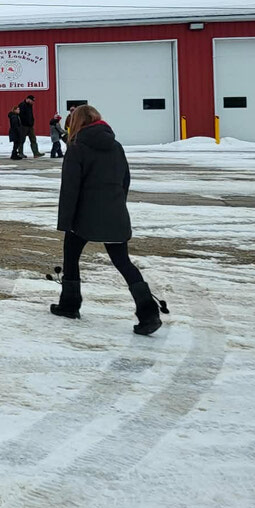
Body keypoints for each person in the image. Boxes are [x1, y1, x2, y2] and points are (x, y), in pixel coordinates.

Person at [50, 104, 168, 335]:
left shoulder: (76, 147)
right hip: (115, 212)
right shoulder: (116, 146)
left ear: (76, 123)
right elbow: (125, 180)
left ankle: (69, 305)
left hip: (83, 216)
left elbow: (70, 188)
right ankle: (148, 313)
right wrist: (117, 204)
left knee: (71, 257)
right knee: (123, 262)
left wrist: (65, 221)